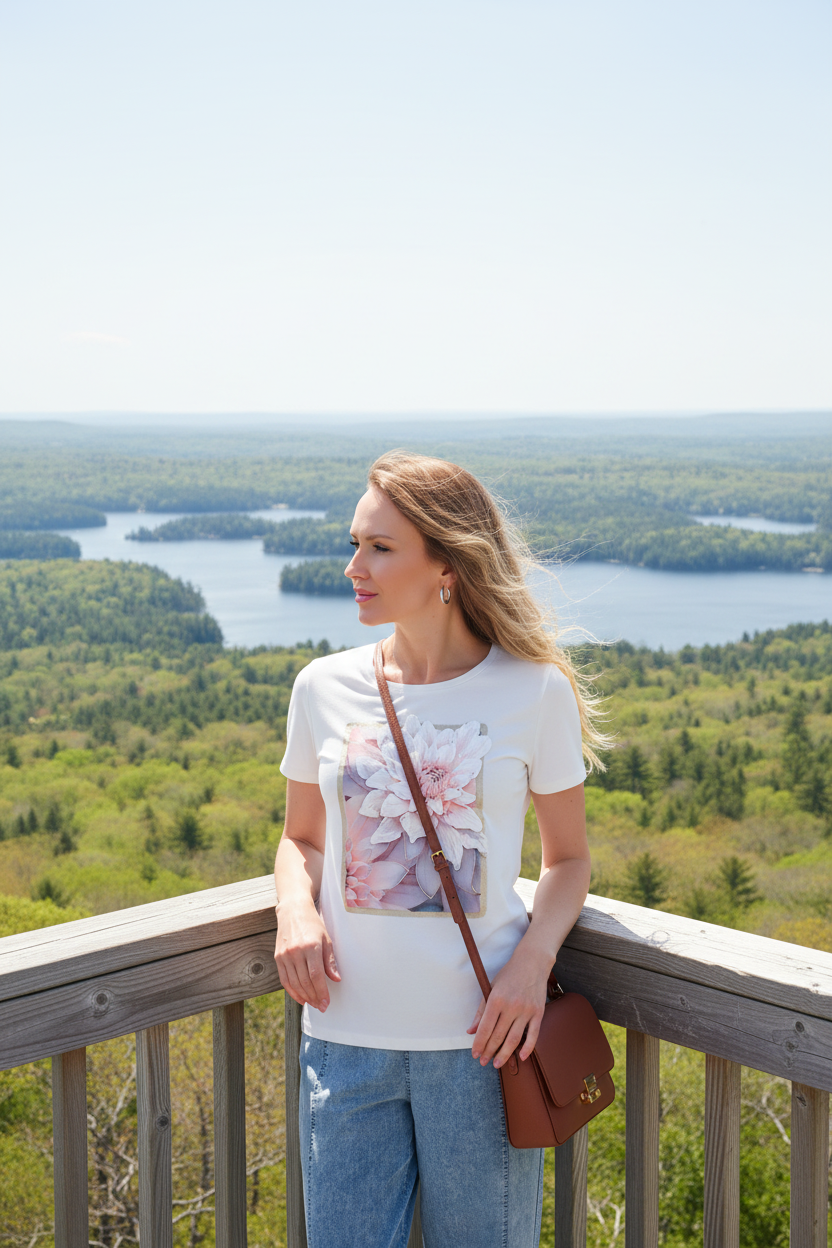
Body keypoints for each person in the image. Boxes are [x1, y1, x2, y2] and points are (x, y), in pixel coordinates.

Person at [273, 451, 606, 1248]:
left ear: (447, 567)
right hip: (343, 1043)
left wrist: (531, 968)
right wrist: (294, 912)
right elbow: (301, 839)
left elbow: (568, 861)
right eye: (355, 544)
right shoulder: (321, 687)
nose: (353, 567)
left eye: (380, 548)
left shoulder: (534, 690)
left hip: (482, 1050)